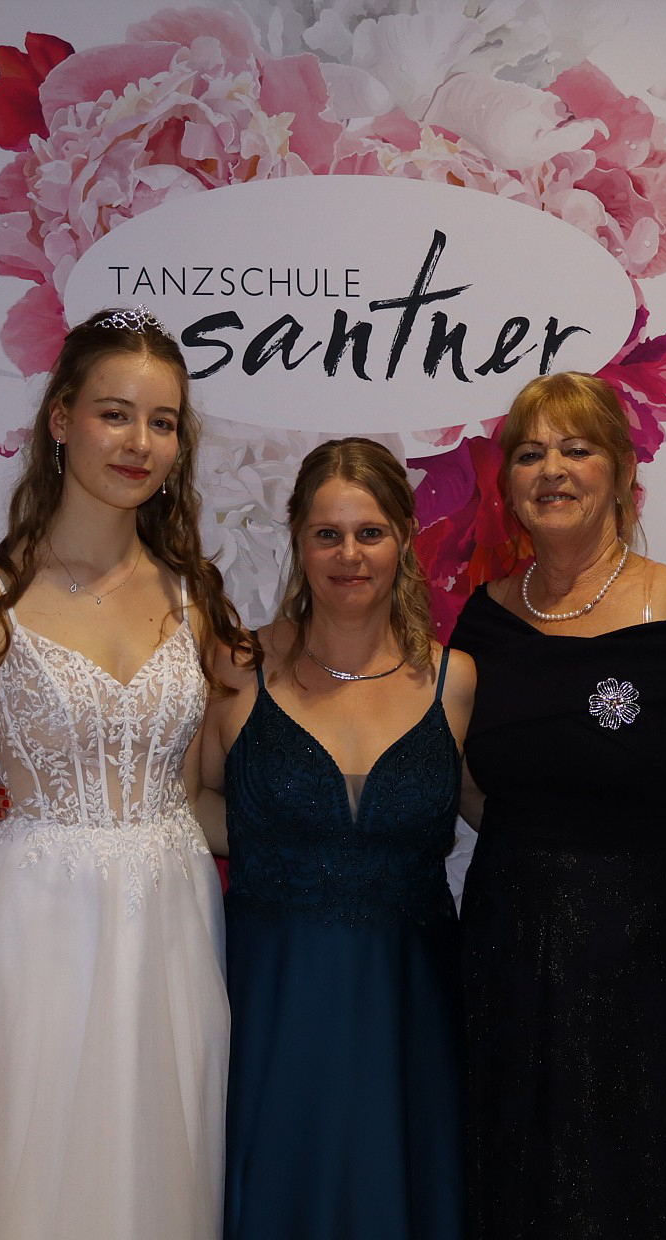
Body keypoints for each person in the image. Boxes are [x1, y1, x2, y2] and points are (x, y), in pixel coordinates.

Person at [0, 309, 247, 1240]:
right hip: (34, 942)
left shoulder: (196, 602)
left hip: (172, 946)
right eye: (115, 414)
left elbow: (195, 802)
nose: (139, 443)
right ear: (61, 419)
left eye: (161, 422)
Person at [447, 372, 666, 1239]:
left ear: (625, 472)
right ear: (508, 484)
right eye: (530, 453)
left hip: (652, 989)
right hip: (508, 979)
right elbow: (474, 786)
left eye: (576, 448)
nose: (552, 470)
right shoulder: (482, 622)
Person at [202, 438, 476, 1240]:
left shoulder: (456, 680)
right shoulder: (237, 666)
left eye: (370, 533)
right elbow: (177, 804)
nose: (349, 555)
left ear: (404, 540)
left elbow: (511, 814)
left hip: (410, 1016)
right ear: (297, 540)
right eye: (327, 534)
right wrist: (31, 796)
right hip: (275, 1003)